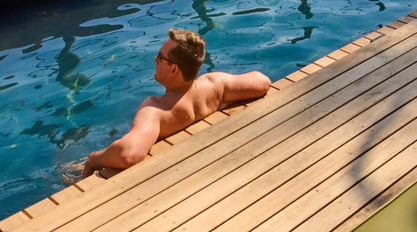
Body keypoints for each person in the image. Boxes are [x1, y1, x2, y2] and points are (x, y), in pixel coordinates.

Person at [72, 29, 271, 179]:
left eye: (160, 57)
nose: (155, 59)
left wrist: (94, 158)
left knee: (72, 168)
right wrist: (226, 100)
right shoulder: (214, 85)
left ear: (174, 69)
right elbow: (262, 81)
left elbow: (128, 155)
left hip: (168, 174)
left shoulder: (156, 109)